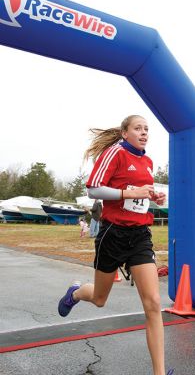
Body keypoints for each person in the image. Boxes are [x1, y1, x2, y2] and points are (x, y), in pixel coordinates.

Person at [58, 115, 173, 375]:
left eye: (146, 129)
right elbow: (93, 190)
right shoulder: (115, 153)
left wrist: (154, 196)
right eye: (138, 128)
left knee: (154, 303)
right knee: (100, 299)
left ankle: (160, 373)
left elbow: (140, 194)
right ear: (124, 132)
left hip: (140, 235)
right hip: (112, 234)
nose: (144, 133)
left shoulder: (147, 161)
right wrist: (128, 193)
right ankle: (75, 293)